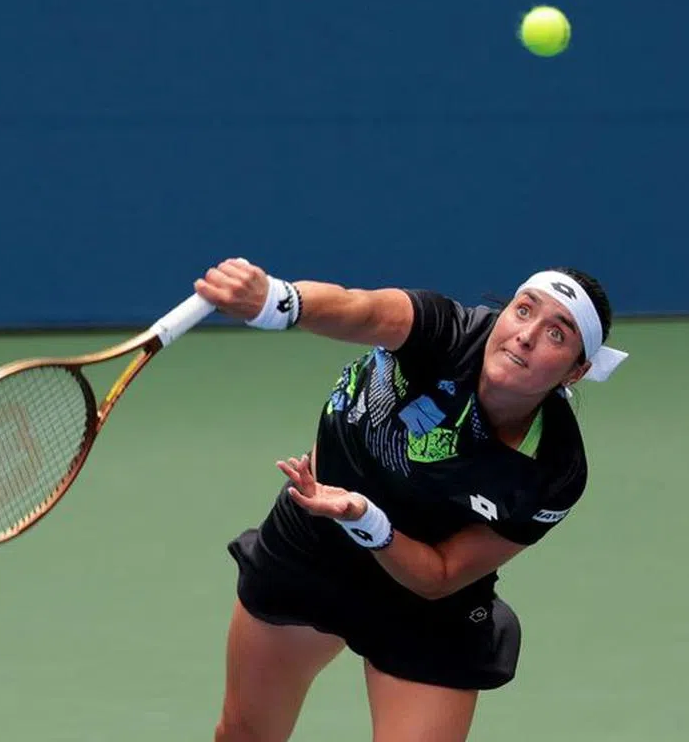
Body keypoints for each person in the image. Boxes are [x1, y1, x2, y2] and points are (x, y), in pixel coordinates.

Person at [193, 257, 627, 742]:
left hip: (423, 605)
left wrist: (368, 521)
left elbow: (441, 576)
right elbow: (362, 310)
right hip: (314, 547)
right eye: (524, 311)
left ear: (577, 370)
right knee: (244, 735)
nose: (526, 334)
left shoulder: (554, 472)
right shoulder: (445, 330)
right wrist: (279, 301)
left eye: (557, 334)